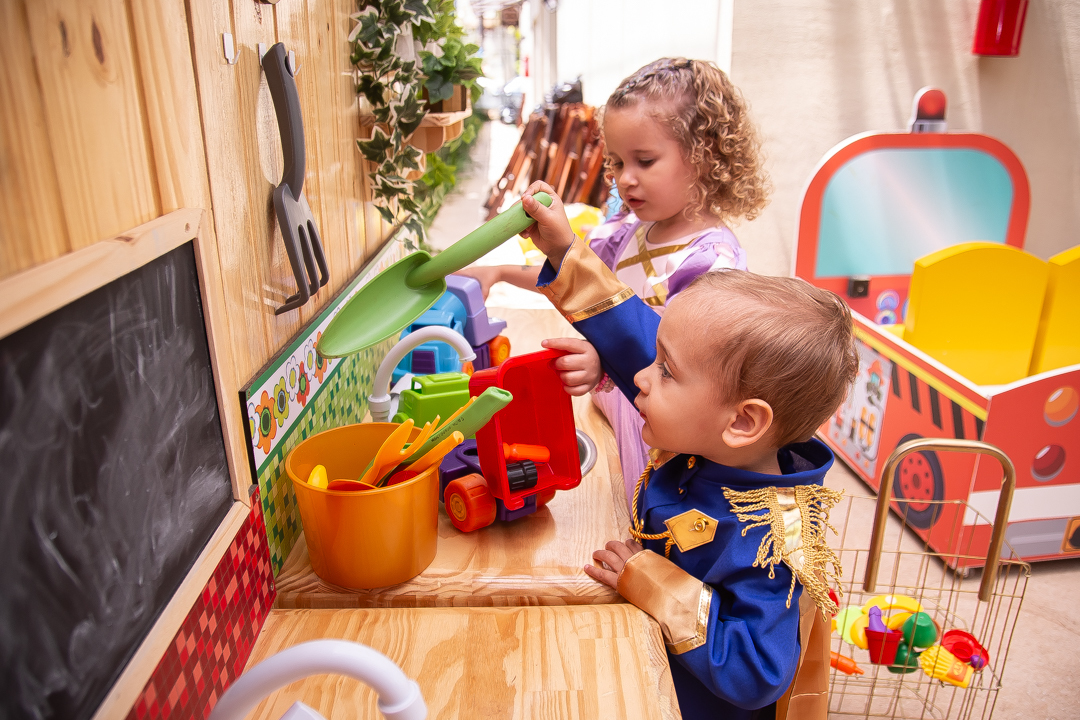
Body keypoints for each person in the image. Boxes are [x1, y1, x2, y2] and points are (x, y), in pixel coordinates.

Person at [518, 182, 858, 719]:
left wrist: (651, 579)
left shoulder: (773, 540)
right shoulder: (712, 432)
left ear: (743, 421)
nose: (640, 378)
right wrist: (565, 252)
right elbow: (631, 335)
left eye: (665, 370)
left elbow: (757, 672)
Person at [465, 58, 770, 506]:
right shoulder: (628, 229)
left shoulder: (712, 263)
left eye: (645, 161)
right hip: (610, 413)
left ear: (705, 156)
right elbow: (578, 276)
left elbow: (683, 362)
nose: (625, 178)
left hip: (655, 443)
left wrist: (603, 361)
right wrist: (502, 271)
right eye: (618, 161)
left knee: (632, 520)